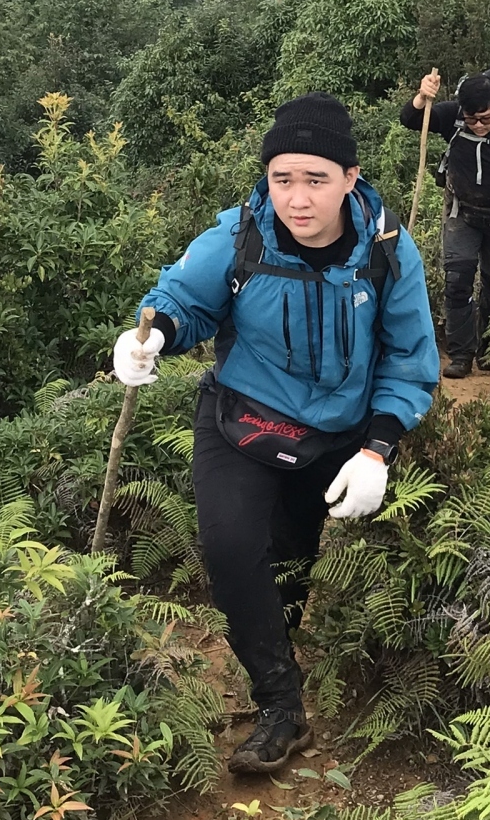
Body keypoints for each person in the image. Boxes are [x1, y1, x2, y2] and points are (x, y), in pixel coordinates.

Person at [109, 93, 439, 775]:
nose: (296, 197)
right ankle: (280, 709)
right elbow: (183, 300)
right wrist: (151, 340)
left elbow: (410, 359)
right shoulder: (240, 235)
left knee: (292, 562)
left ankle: (275, 643)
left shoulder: (386, 251)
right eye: (282, 178)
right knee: (232, 549)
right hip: (243, 417)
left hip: (334, 434)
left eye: (315, 179)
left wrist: (378, 448)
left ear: (350, 178)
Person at [401, 69, 490, 379]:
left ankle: (487, 347)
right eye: (472, 119)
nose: (478, 126)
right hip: (461, 213)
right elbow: (410, 119)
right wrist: (422, 96)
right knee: (457, 281)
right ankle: (461, 354)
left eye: (486, 119)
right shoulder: (454, 117)